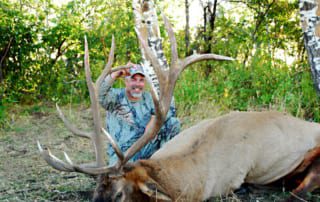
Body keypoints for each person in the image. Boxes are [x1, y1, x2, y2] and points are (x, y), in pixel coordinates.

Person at [99, 63, 181, 165]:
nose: (138, 84)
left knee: (173, 123)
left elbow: (170, 109)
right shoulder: (115, 97)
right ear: (126, 81)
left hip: (146, 148)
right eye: (133, 79)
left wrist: (154, 119)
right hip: (123, 155)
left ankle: (166, 164)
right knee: (119, 176)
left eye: (141, 80)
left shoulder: (149, 98)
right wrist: (114, 75)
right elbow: (99, 95)